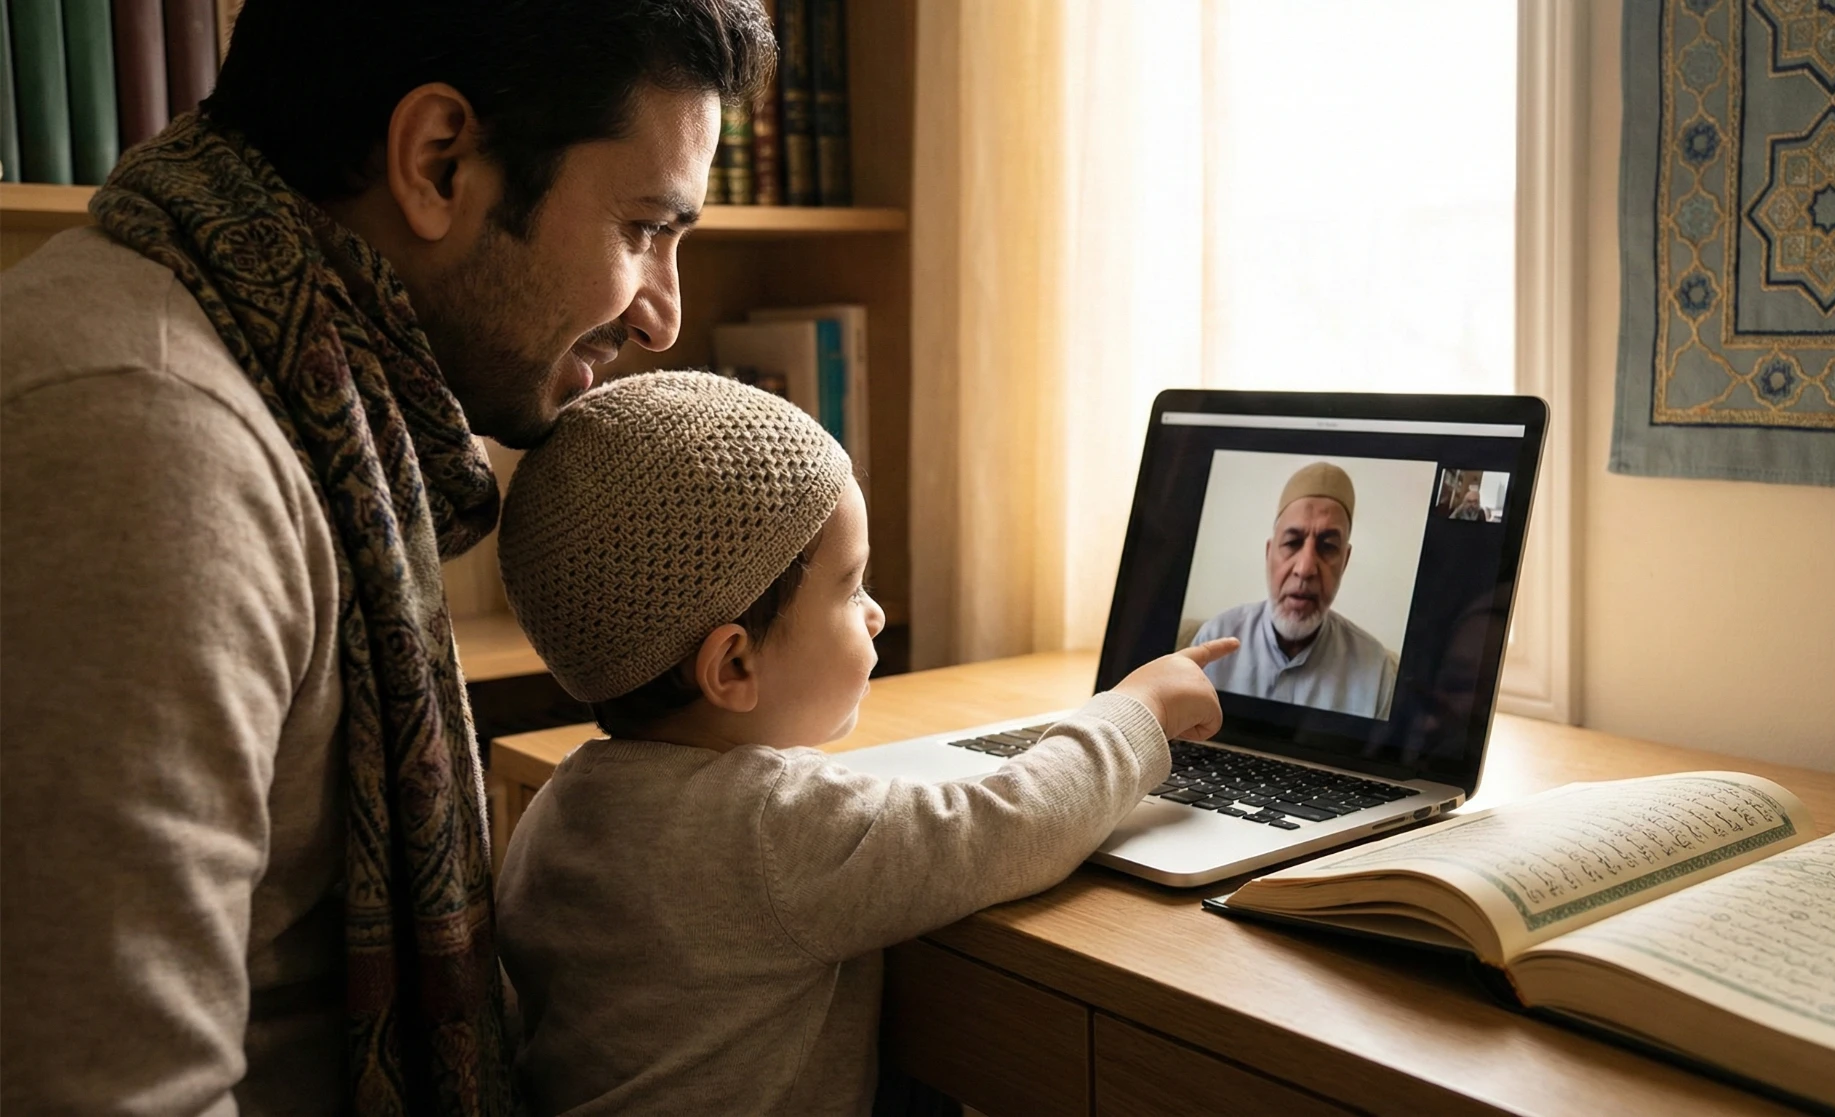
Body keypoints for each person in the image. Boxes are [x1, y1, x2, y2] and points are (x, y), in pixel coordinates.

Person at [0, 2, 775, 1112]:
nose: (661, 316)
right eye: (645, 228)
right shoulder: (145, 443)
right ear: (439, 161)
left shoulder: (295, 391)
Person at [491, 372, 1238, 1114]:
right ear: (734, 664)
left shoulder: (554, 809)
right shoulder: (772, 826)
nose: (876, 613)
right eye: (852, 588)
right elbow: (1011, 821)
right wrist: (1136, 708)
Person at [1193, 461, 1399, 719]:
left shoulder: (1376, 672)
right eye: (1292, 543)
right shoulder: (1213, 641)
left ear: (1345, 562)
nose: (1305, 569)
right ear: (1269, 554)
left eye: (1327, 547)